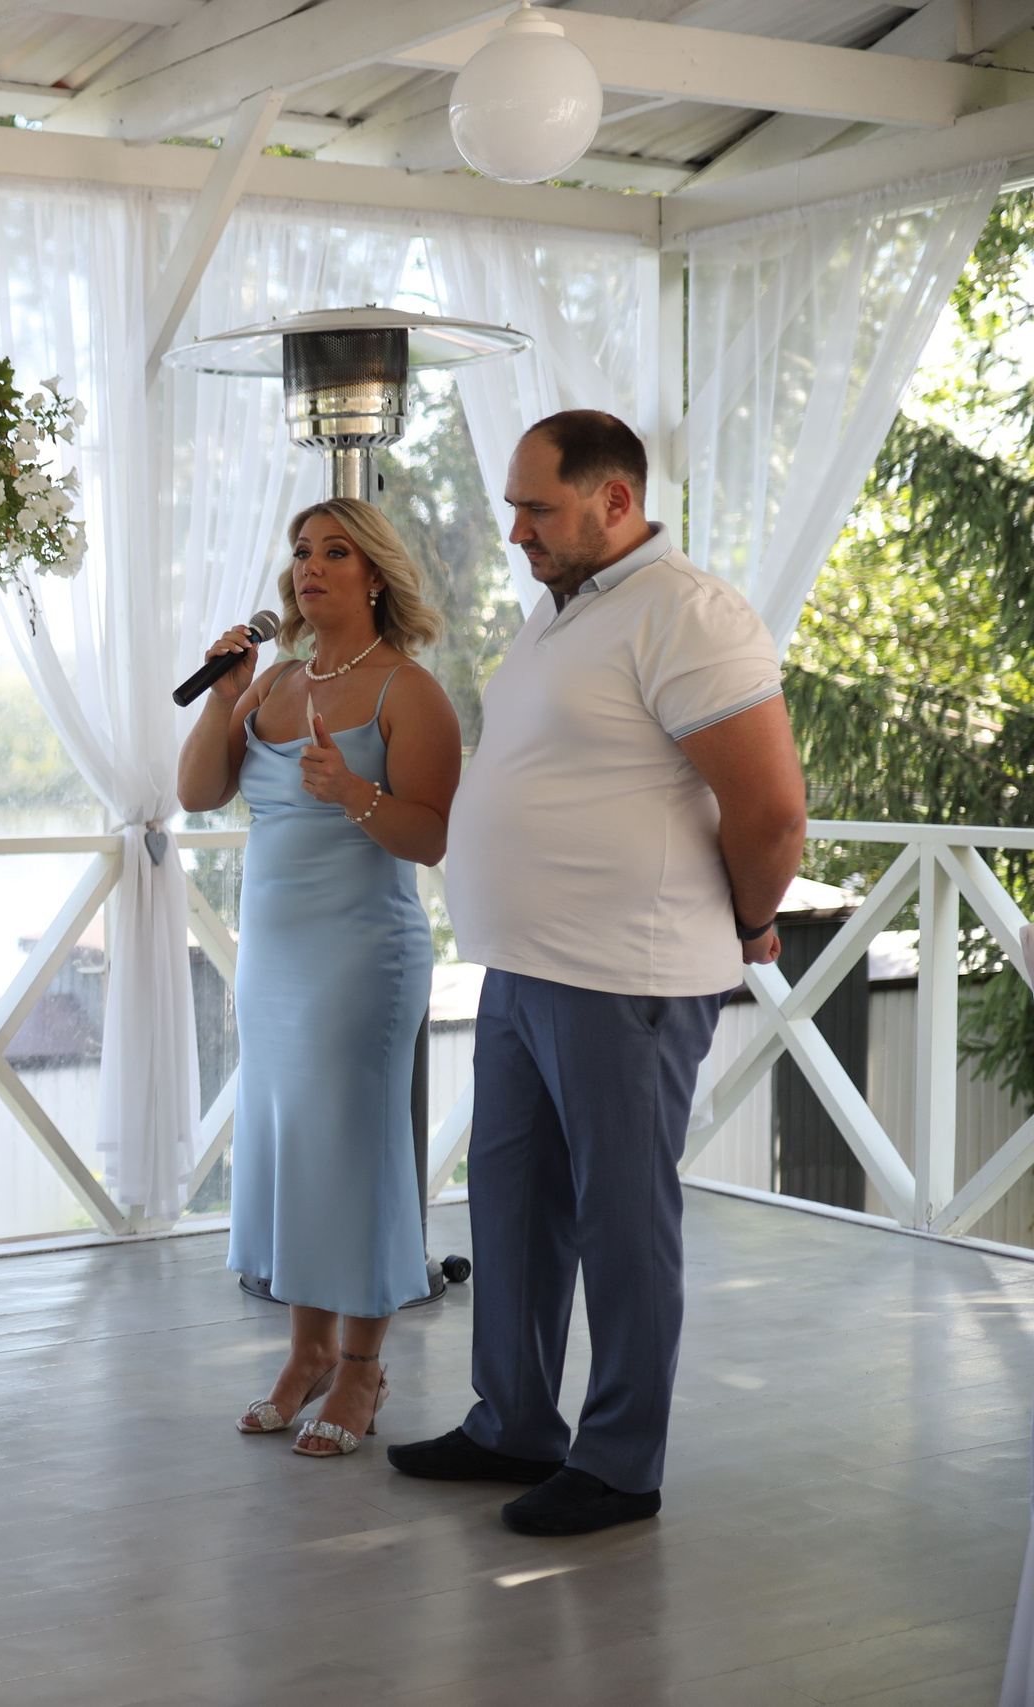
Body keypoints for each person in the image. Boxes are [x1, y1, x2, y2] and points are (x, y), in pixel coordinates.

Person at [391, 411, 805, 1536]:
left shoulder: (687, 614)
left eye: (538, 508)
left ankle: (621, 1464)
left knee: (622, 1221)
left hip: (626, 974)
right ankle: (512, 1424)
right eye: (514, 509)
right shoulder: (561, 610)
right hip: (524, 968)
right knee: (514, 1203)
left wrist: (749, 920)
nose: (517, 530)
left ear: (614, 502)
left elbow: (770, 812)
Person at [179, 498, 462, 1458]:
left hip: (362, 957)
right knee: (289, 1144)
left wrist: (355, 792)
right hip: (274, 958)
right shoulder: (272, 685)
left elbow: (431, 833)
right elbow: (195, 792)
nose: (311, 566)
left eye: (335, 551)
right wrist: (225, 696)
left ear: (374, 574)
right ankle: (302, 1354)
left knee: (354, 1149)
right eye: (302, 551)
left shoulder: (407, 692)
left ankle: (363, 1367)